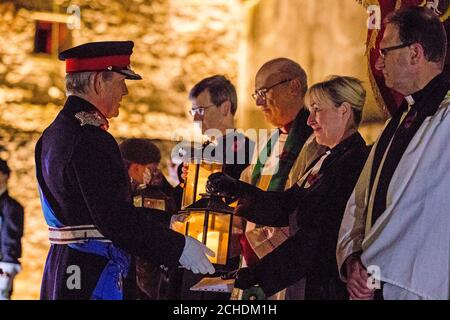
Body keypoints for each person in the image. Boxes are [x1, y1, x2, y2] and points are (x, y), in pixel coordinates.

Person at [35, 41, 215, 300]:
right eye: (121, 81)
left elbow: (90, 210)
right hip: (94, 270)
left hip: (66, 265)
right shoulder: (91, 138)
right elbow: (113, 217)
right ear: (99, 82)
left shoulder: (52, 134)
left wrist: (166, 223)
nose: (125, 91)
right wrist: (178, 247)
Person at [207, 75, 369, 299]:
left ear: (343, 110)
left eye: (317, 110)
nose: (310, 120)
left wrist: (261, 277)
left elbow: (317, 235)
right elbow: (287, 204)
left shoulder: (352, 162)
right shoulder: (329, 157)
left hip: (326, 284)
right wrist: (237, 190)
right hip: (306, 275)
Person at [336, 7, 450, 300]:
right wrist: (352, 259)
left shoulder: (445, 120)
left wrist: (370, 267)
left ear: (415, 54)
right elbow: (360, 201)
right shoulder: (398, 120)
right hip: (374, 280)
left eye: (385, 51)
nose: (377, 62)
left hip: (419, 284)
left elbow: (421, 213)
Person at [236, 58, 325, 300]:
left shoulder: (317, 142)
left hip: (287, 262)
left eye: (264, 92)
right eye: (256, 94)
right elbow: (248, 188)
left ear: (294, 87)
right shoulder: (267, 142)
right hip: (255, 254)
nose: (259, 102)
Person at [174, 75, 255, 300]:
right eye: (194, 112)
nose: (196, 119)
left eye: (201, 110)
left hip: (226, 257)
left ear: (225, 107)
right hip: (194, 253)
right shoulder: (200, 153)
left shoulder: (248, 150)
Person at [119, 138, 177, 300]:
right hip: (136, 277)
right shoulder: (124, 193)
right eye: (152, 169)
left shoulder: (115, 187)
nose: (155, 174)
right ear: (137, 168)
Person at [0, 158, 24, 300]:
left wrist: (7, 264)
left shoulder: (12, 207)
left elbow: (11, 238)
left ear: (5, 176)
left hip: (3, 266)